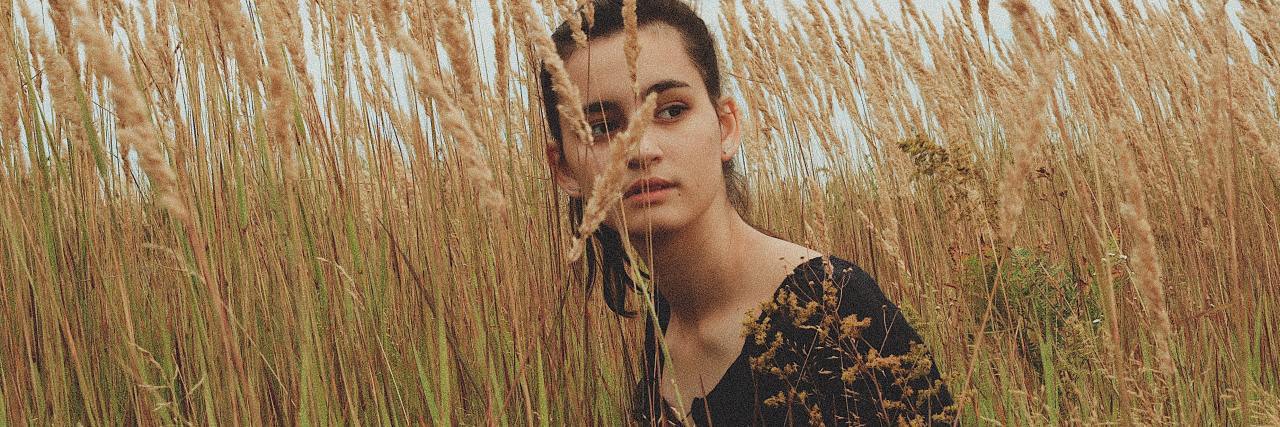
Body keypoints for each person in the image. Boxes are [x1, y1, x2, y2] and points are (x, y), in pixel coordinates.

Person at [539, 1, 954, 425]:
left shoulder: (831, 312)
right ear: (565, 169)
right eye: (602, 127)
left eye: (671, 111)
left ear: (725, 128)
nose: (642, 150)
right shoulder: (667, 318)